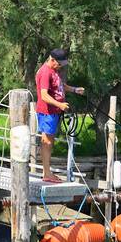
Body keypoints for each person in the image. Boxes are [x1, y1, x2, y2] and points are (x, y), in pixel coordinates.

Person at [34, 47, 84, 182]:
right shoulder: (45, 72)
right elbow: (44, 95)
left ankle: (47, 172)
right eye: (59, 63)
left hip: (53, 112)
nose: (61, 65)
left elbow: (61, 85)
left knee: (49, 141)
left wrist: (75, 89)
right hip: (47, 112)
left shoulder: (54, 71)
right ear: (52, 59)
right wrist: (60, 105)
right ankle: (46, 173)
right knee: (47, 142)